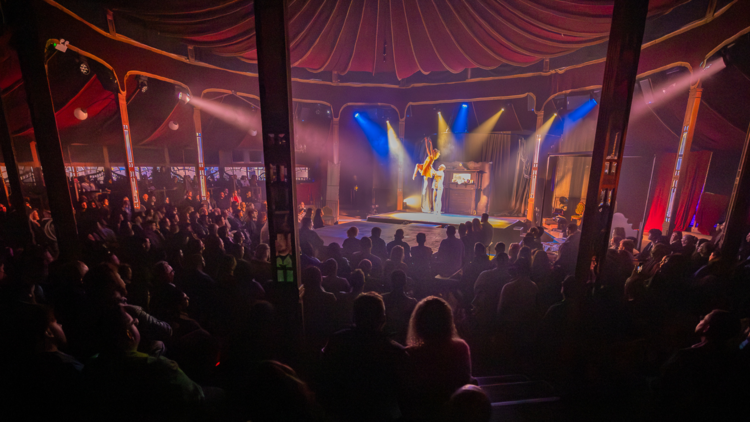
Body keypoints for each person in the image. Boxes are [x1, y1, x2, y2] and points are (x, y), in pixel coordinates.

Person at [83, 306, 204, 421]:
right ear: (129, 334)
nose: (137, 322)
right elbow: (195, 396)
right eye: (133, 323)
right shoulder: (160, 366)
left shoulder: (92, 364)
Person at [321, 292, 407, 422]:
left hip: (342, 412)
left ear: (354, 316)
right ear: (383, 318)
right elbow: (403, 394)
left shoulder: (337, 341)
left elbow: (323, 378)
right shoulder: (395, 351)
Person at [403, 297, 472, 420]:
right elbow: (465, 384)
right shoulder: (460, 348)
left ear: (419, 323)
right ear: (447, 321)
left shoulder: (410, 353)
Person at [413, 137, 440, 213]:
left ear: (434, 153)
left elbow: (430, 149)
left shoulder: (432, 157)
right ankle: (414, 174)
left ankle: (424, 190)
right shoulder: (429, 155)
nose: (432, 151)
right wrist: (426, 142)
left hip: (427, 169)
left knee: (425, 181)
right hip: (425, 166)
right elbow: (427, 149)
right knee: (417, 165)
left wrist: (430, 143)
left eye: (433, 151)